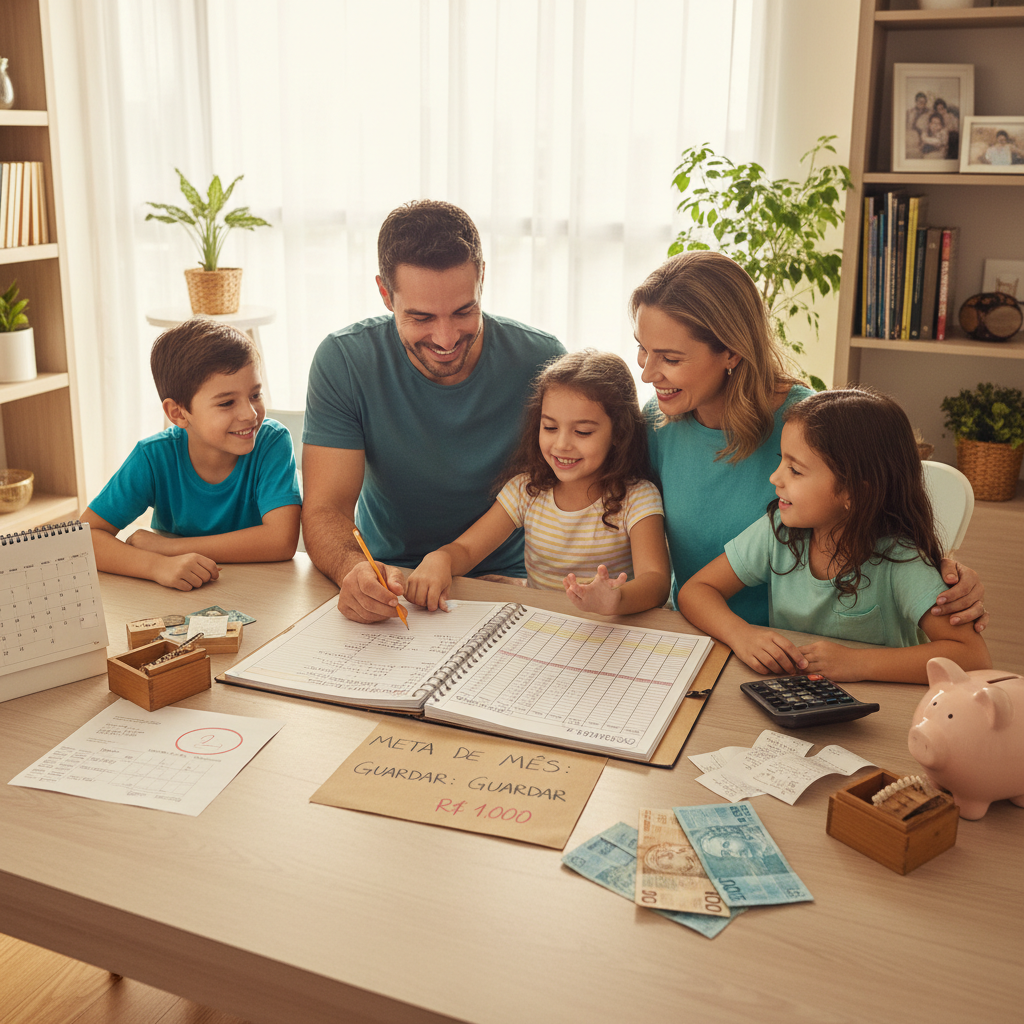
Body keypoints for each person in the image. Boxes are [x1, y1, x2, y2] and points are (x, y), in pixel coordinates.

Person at [631, 250, 987, 631]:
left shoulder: (807, 427)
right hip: (693, 628)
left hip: (796, 646)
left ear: (731, 351)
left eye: (669, 358)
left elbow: (884, 523)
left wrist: (944, 571)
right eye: (642, 348)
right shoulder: (657, 421)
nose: (648, 373)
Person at [301, 200, 564, 623]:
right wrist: (354, 569)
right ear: (386, 294)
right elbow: (325, 510)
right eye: (421, 317)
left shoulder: (542, 359)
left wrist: (541, 580)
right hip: (392, 577)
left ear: (482, 278)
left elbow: (576, 493)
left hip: (509, 579)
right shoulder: (344, 361)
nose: (446, 338)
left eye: (464, 311)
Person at [678, 387, 991, 684]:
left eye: (795, 470)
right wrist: (740, 634)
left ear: (854, 492)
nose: (776, 478)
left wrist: (857, 663)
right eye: (781, 462)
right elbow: (696, 591)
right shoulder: (778, 532)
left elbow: (973, 657)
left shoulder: (901, 558)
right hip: (799, 696)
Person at [405, 350, 670, 616]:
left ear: (619, 433)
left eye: (582, 432)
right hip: (540, 627)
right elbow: (466, 549)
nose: (562, 444)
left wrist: (615, 599)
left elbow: (656, 581)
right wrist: (439, 558)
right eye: (550, 427)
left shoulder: (637, 497)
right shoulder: (526, 490)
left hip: (611, 630)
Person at [82, 320, 301, 591]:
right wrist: (156, 565)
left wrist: (168, 548)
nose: (250, 414)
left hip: (262, 592)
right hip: (178, 596)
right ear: (178, 413)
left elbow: (281, 541)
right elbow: (83, 539)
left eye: (255, 394)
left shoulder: (271, 442)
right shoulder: (153, 457)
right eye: (227, 403)